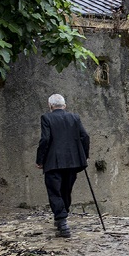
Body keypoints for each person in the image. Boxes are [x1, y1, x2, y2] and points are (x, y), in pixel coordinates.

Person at [36, 94, 89, 238]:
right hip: (72, 162)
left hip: (53, 163)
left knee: (55, 192)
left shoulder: (46, 118)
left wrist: (40, 160)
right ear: (64, 105)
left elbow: (45, 139)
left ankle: (62, 221)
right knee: (66, 191)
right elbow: (85, 136)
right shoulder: (75, 118)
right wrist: (84, 156)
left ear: (50, 106)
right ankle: (62, 218)